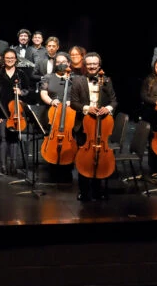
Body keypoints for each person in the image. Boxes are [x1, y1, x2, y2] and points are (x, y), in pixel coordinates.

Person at [69, 52, 117, 201]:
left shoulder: (107, 80)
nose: (91, 66)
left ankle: (97, 189)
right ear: (85, 65)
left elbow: (114, 101)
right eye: (89, 64)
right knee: (84, 157)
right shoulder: (78, 81)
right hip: (84, 125)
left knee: (99, 156)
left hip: (102, 124)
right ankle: (83, 191)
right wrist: (86, 108)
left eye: (94, 64)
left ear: (99, 65)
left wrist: (108, 108)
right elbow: (74, 102)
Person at [0, 49, 32, 176]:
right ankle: (3, 165)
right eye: (7, 58)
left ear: (16, 59)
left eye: (12, 57)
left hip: (16, 111)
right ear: (4, 59)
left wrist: (21, 92)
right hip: (2, 110)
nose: (10, 59)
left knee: (13, 138)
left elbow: (28, 90)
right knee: (3, 137)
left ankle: (13, 164)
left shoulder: (21, 74)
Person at [38, 52, 75, 183]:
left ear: (69, 63)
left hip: (71, 114)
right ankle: (52, 167)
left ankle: (68, 168)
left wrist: (72, 102)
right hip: (52, 113)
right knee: (53, 140)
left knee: (70, 139)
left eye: (63, 61)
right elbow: (43, 93)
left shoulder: (74, 78)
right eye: (58, 62)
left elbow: (79, 95)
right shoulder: (48, 77)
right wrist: (51, 101)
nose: (60, 64)